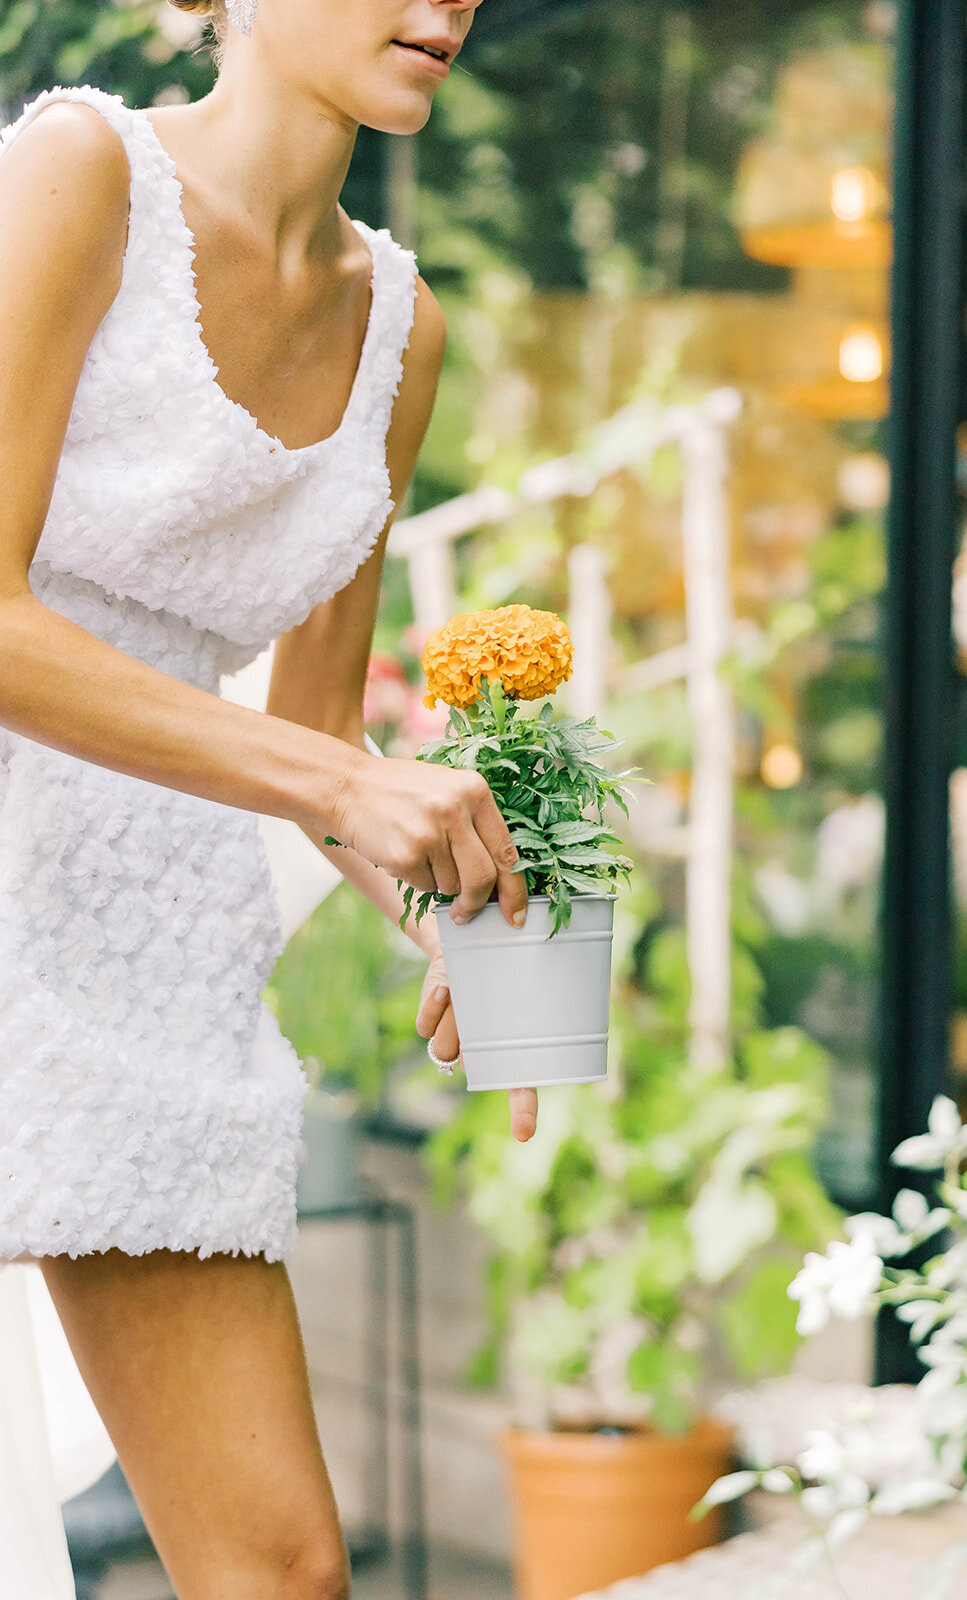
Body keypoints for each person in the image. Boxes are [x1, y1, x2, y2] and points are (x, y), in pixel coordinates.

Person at [0, 1, 535, 1594]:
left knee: (282, 1569)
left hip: (151, 970)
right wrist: (336, 783)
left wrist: (459, 912)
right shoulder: (78, 171)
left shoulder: (403, 330)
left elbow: (319, 745)